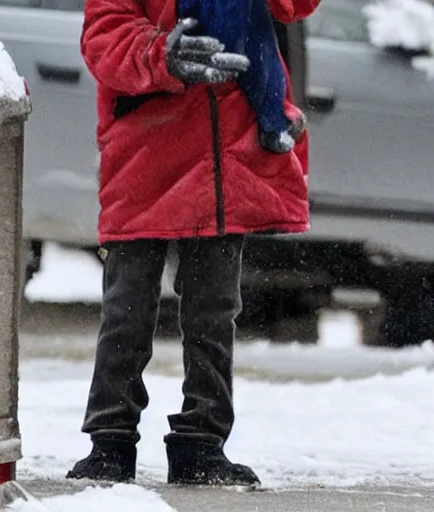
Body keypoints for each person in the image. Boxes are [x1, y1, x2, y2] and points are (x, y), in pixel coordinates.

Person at [67, 0, 321, 486]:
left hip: (225, 163)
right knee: (128, 311)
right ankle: (110, 442)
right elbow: (104, 36)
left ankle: (202, 445)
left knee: (214, 311)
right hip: (145, 157)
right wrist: (160, 55)